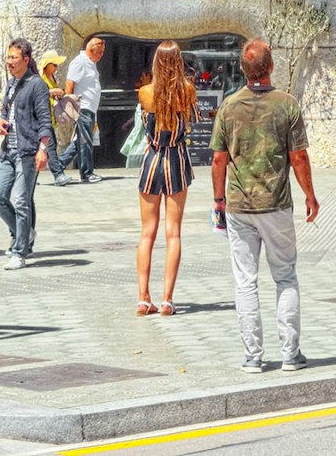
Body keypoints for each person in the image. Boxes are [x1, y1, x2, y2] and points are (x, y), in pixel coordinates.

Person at [207, 35, 317, 374]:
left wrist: (219, 201)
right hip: (277, 203)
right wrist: (310, 195)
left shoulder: (228, 106)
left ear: (243, 69)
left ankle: (252, 357)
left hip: (240, 206)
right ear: (271, 67)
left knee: (245, 281)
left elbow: (218, 160)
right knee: (285, 277)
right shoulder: (286, 104)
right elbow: (298, 157)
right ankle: (290, 354)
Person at [134, 41, 196, 316]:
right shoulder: (188, 91)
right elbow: (190, 120)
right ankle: (167, 299)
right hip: (176, 160)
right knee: (174, 233)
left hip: (152, 160)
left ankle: (143, 298)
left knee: (147, 233)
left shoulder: (145, 93)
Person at [0, 39, 51, 267]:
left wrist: (42, 150)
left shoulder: (37, 85)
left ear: (26, 59)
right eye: (8, 57)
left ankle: (20, 251)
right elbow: (5, 111)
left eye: (14, 58)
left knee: (22, 200)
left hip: (27, 151)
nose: (9, 62)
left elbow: (45, 121)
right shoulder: (11, 83)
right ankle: (24, 234)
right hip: (8, 150)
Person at [65, 34, 108, 184]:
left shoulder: (91, 63)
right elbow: (70, 83)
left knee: (80, 141)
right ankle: (86, 173)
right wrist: (71, 107)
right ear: (91, 50)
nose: (102, 55)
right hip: (82, 107)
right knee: (85, 141)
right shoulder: (80, 62)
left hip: (90, 109)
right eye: (100, 52)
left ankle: (58, 165)